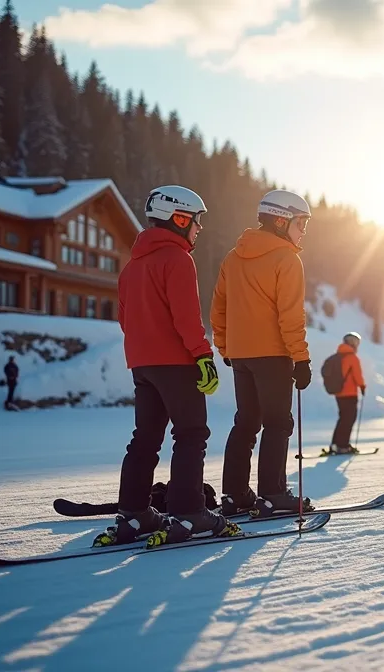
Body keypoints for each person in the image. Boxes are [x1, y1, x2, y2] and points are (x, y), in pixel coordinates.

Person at [108, 185, 236, 545]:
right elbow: (186, 317)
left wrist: (147, 347)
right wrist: (203, 356)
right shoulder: (177, 259)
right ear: (178, 219)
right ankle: (190, 513)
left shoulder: (131, 267)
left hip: (142, 366)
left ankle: (133, 514)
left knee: (145, 439)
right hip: (177, 363)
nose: (199, 228)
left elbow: (125, 320)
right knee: (191, 435)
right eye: (196, 220)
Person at [213, 189, 314, 519]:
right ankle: (272, 495)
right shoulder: (287, 259)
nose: (304, 230)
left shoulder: (233, 257)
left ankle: (234, 495)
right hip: (272, 355)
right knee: (277, 423)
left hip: (241, 356)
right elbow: (291, 315)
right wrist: (301, 358)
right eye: (301, 223)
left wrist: (225, 347)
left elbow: (219, 308)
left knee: (246, 423)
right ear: (281, 221)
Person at [321, 332, 366, 455]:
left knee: (343, 418)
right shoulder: (352, 358)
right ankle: (343, 446)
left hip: (339, 393)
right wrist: (362, 386)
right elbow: (357, 376)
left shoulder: (337, 357)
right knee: (349, 419)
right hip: (350, 393)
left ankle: (335, 444)